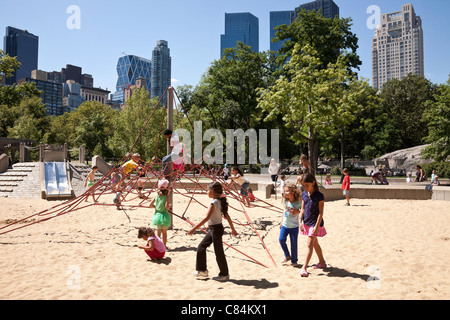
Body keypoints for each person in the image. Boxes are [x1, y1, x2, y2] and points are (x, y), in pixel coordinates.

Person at [187, 182, 238, 281]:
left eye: (208, 190)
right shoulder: (219, 201)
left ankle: (224, 274)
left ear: (213, 191)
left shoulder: (214, 203)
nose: (207, 192)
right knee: (202, 246)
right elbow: (226, 216)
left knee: (219, 252)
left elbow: (207, 218)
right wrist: (232, 228)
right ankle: (202, 271)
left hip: (216, 229)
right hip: (215, 228)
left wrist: (194, 228)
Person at [299, 173, 327, 278]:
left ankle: (304, 267)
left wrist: (316, 226)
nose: (305, 187)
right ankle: (322, 262)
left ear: (313, 182)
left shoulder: (319, 195)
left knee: (309, 244)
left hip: (315, 223)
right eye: (303, 185)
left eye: (307, 185)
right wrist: (300, 221)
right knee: (315, 243)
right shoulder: (304, 194)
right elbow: (303, 208)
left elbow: (321, 212)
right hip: (306, 221)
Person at [279, 183, 301, 267]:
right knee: (281, 240)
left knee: (294, 244)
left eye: (287, 191)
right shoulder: (285, 201)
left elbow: (303, 211)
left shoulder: (298, 202)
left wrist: (297, 212)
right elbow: (283, 212)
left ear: (293, 192)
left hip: (294, 227)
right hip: (285, 225)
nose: (286, 193)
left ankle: (294, 260)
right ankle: (287, 255)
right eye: (285, 191)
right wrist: (281, 221)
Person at [149, 179, 171, 247]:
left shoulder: (156, 196)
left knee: (158, 232)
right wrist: (169, 206)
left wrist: (156, 207)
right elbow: (166, 206)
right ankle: (164, 245)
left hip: (157, 215)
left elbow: (150, 205)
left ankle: (158, 245)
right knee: (164, 232)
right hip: (164, 215)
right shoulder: (166, 196)